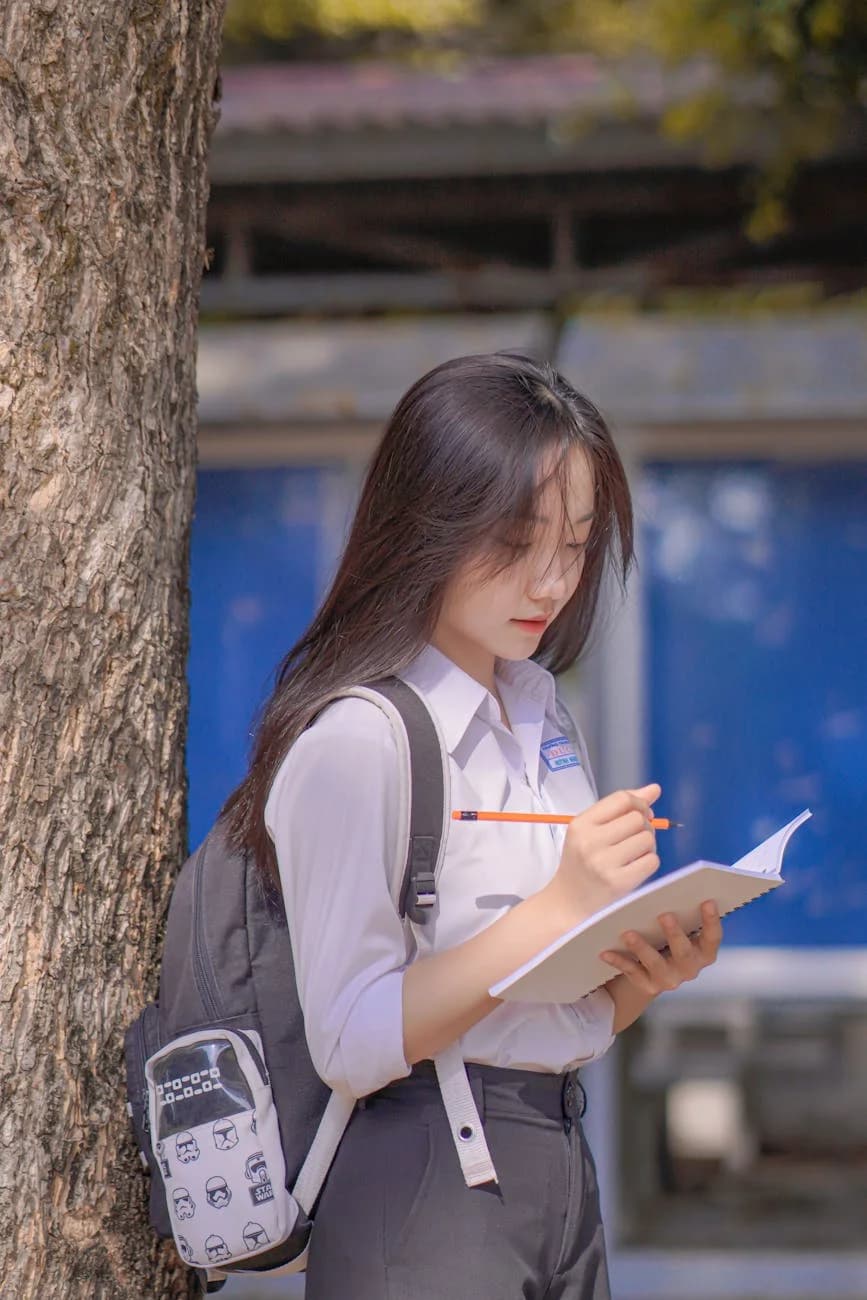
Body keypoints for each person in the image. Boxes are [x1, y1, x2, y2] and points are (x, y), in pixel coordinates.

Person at [219, 351, 723, 1299]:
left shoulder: (542, 718)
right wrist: (560, 904)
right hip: (425, 1186)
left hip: (557, 1161)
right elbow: (351, 1039)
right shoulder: (356, 741)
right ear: (428, 525)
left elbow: (539, 1016)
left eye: (576, 546)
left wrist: (637, 979)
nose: (551, 582)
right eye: (519, 542)